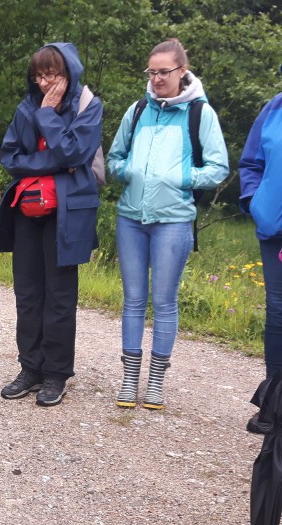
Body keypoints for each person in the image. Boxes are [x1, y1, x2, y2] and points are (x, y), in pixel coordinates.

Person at [107, 39, 229, 410]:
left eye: (164, 71)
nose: (157, 78)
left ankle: (156, 382)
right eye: (152, 71)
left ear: (181, 72)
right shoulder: (138, 108)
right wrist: (131, 171)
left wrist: (178, 177)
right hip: (131, 217)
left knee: (164, 302)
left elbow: (219, 168)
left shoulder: (199, 113)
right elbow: (114, 159)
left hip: (173, 222)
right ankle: (130, 378)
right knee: (132, 301)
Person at [0, 42, 103, 407]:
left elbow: (75, 152)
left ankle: (56, 374)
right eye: (38, 75)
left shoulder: (89, 106)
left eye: (51, 74)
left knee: (59, 296)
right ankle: (31, 368)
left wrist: (49, 116)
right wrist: (55, 164)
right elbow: (10, 158)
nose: (43, 82)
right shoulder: (25, 107)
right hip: (27, 210)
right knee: (27, 293)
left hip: (67, 213)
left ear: (68, 72)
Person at [239, 91, 282, 434]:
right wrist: (257, 202)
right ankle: (274, 403)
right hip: (275, 228)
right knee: (278, 312)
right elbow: (251, 163)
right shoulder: (274, 107)